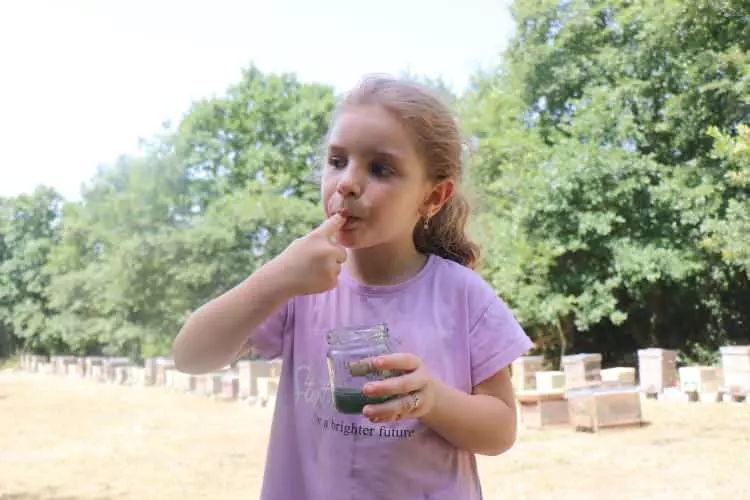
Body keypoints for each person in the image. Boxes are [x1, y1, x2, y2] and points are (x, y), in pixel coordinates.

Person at [172, 75, 534, 500]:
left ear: (433, 197)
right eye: (337, 160)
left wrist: (431, 398)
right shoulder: (298, 285)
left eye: (380, 168)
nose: (347, 182)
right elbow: (190, 356)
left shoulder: (462, 295)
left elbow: (500, 431)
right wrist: (276, 277)